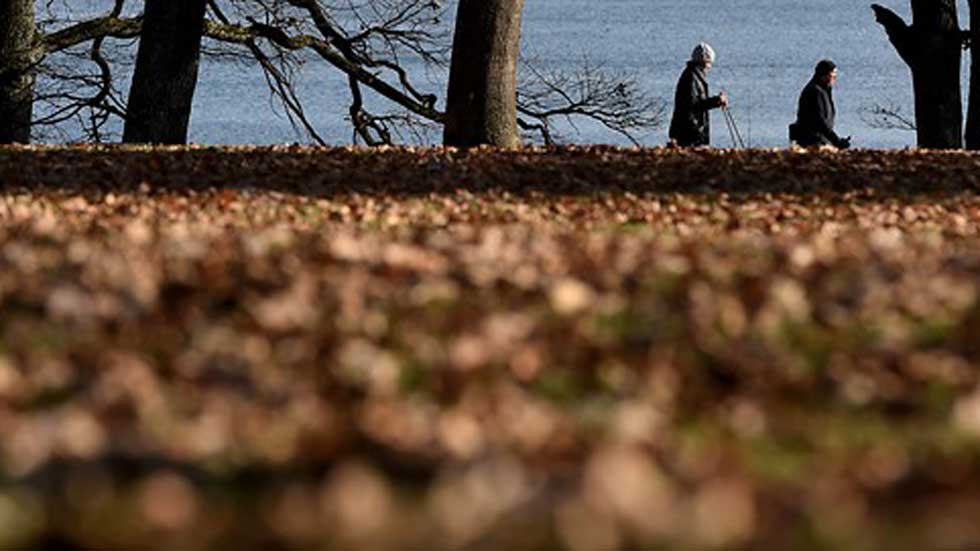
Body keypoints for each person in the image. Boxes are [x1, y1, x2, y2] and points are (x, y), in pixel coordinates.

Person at [669, 43, 729, 147]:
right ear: (704, 62)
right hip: (689, 133)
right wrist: (717, 101)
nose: (710, 67)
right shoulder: (691, 78)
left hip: (690, 131)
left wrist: (716, 101)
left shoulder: (694, 76)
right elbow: (693, 105)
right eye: (709, 63)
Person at [790, 60, 851, 148]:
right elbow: (819, 121)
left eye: (835, 75)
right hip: (812, 141)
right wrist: (836, 141)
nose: (834, 78)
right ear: (823, 75)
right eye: (832, 75)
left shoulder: (824, 90)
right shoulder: (814, 91)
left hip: (820, 139)